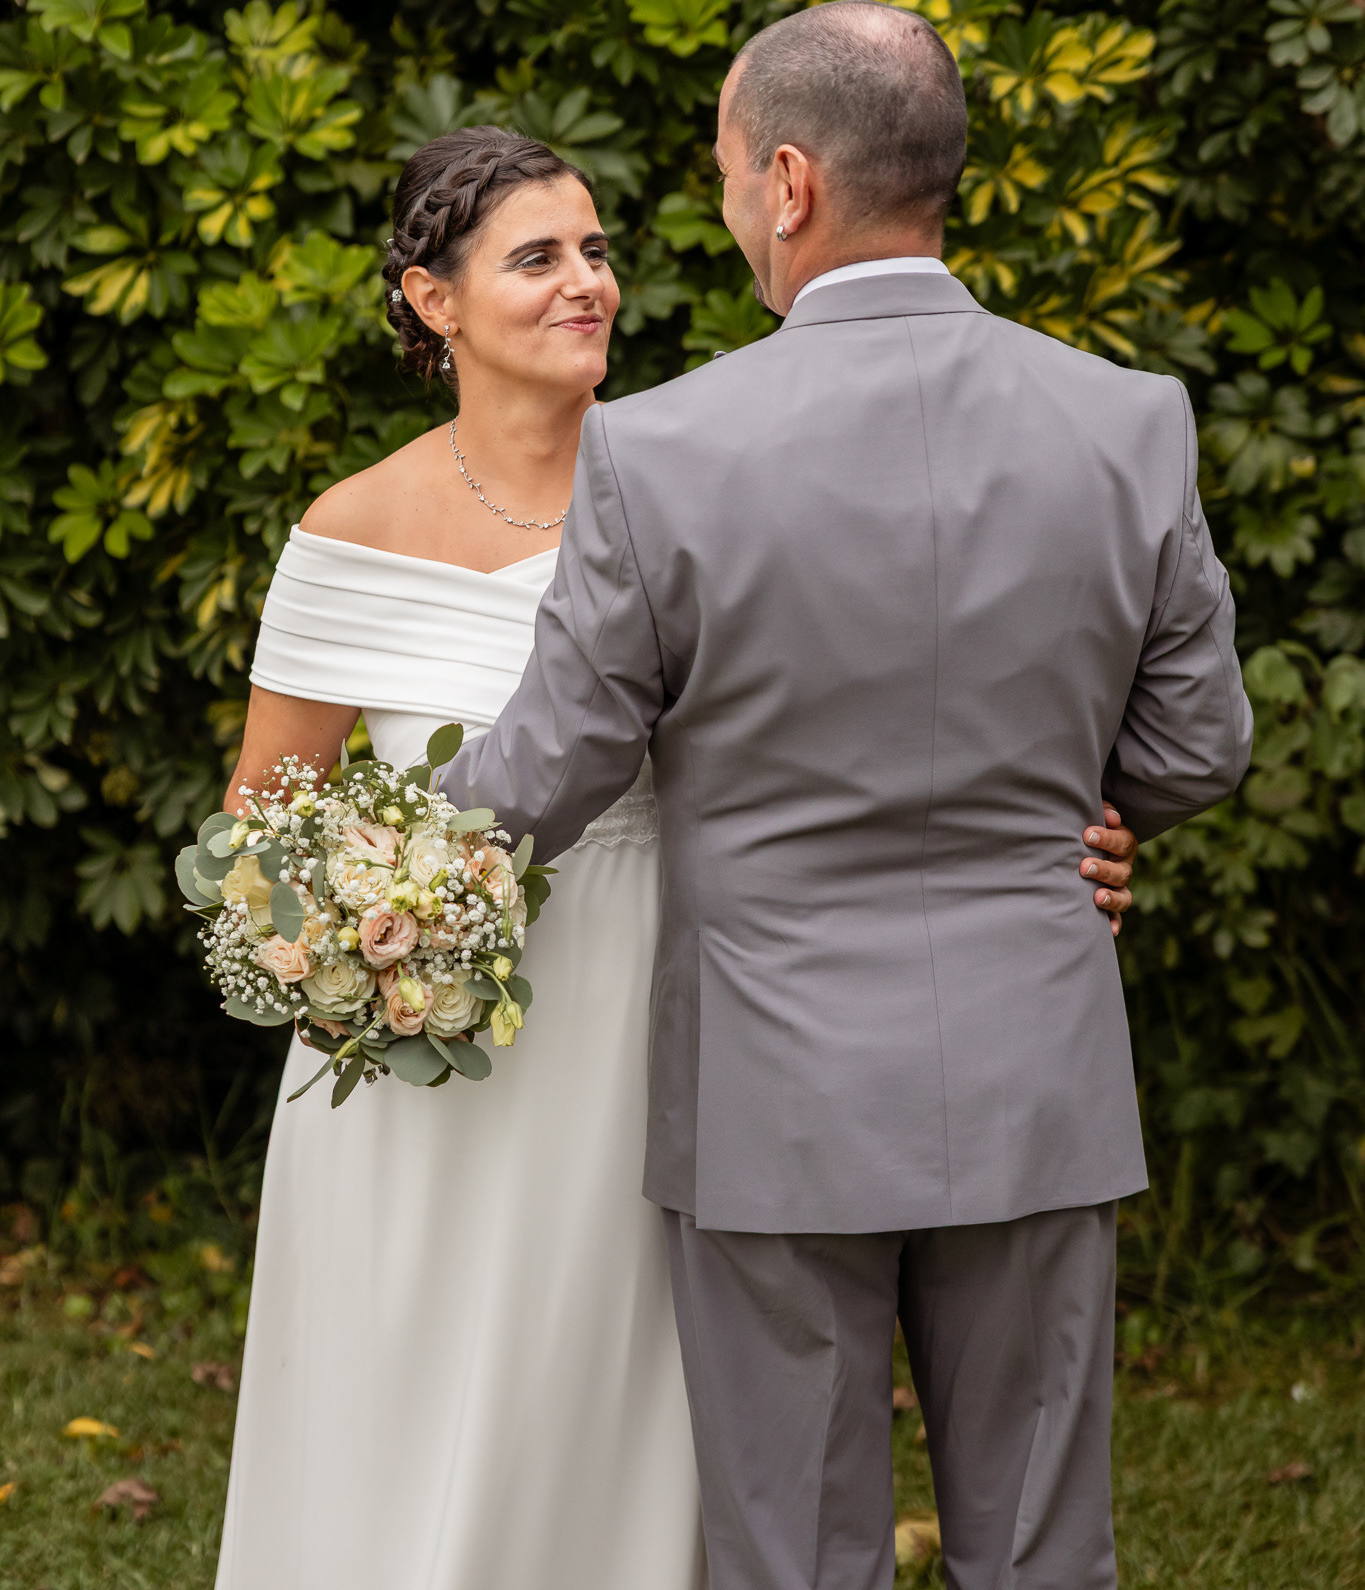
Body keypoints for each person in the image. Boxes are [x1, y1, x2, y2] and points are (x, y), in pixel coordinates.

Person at [213, 116, 1138, 1590]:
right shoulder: (351, 531)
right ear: (431, 300)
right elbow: (261, 829)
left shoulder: (703, 462)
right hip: (432, 1047)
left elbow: (896, 707)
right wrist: (359, 943)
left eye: (595, 250)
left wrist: (1042, 833)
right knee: (432, 1389)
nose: (586, 282)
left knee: (663, 1403)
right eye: (536, 258)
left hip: (696, 1011)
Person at [438, 4, 1253, 1590]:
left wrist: (361, 865)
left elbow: (546, 770)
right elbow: (1197, 745)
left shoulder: (659, 451)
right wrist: (1086, 822)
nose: (727, 203)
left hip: (772, 1090)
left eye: (727, 170)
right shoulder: (1128, 421)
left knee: (796, 1554)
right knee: (1042, 1550)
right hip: (1034, 1063)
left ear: (792, 183)